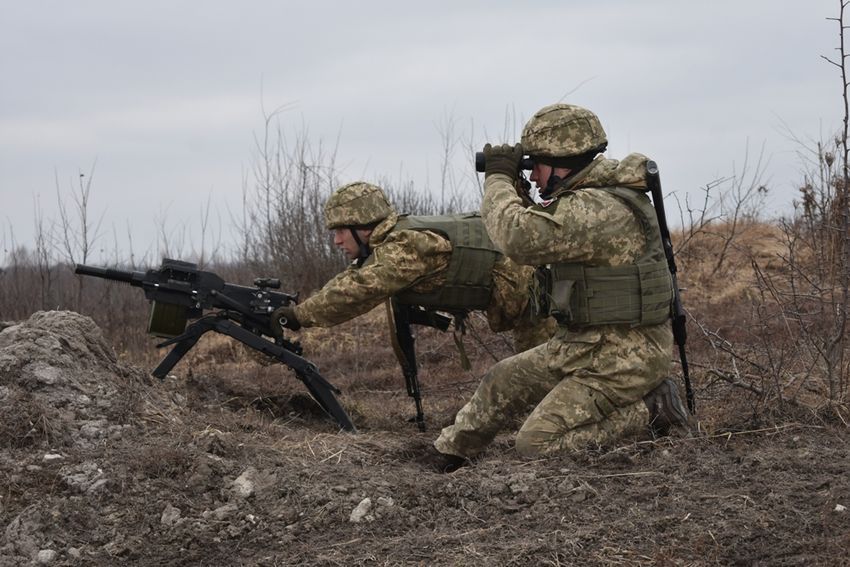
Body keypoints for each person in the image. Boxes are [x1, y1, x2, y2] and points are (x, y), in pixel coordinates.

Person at [433, 103, 690, 471]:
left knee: (536, 443)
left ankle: (654, 409)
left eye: (536, 164)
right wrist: (520, 191)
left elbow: (517, 239)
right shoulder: (589, 199)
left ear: (563, 162)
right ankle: (450, 453)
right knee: (503, 378)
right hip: (585, 344)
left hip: (624, 357)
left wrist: (498, 178)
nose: (534, 175)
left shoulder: (596, 207)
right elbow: (542, 237)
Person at [271, 181, 553, 355]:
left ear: (363, 227)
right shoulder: (392, 240)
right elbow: (351, 278)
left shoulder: (403, 248)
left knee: (542, 383)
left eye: (341, 231)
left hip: (540, 302)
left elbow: (358, 291)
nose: (336, 241)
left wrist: (299, 316)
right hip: (531, 301)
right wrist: (301, 309)